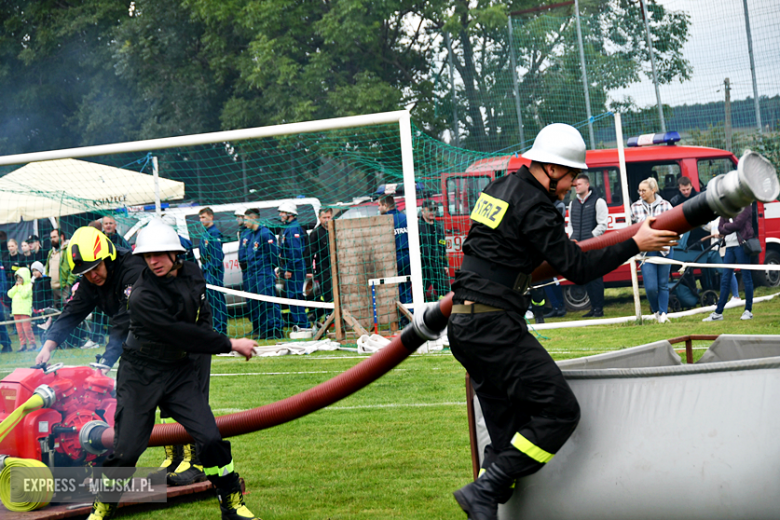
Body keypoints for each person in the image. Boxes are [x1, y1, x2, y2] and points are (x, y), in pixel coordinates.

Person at [447, 123, 678, 520]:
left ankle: (483, 503)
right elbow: (578, 267)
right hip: (494, 327)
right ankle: (485, 487)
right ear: (551, 169)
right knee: (559, 412)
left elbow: (499, 250)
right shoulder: (536, 206)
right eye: (571, 176)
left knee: (504, 437)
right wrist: (633, 244)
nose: (574, 185)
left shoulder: (498, 189)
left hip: (464, 326)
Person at [85, 219, 260, 520]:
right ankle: (102, 507)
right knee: (126, 452)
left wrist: (196, 367)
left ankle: (232, 503)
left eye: (160, 254)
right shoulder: (141, 295)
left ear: (176, 254)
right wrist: (231, 343)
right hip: (140, 373)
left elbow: (201, 317)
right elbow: (180, 332)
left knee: (211, 439)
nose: (153, 261)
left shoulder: (193, 273)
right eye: (147, 256)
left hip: (177, 370)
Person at [35, 226, 147, 371]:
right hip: (135, 341)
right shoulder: (91, 279)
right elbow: (72, 311)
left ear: (108, 258)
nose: (92, 276)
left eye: (96, 267)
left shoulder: (133, 270)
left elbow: (125, 320)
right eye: (86, 272)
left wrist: (106, 361)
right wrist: (48, 347)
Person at [631, 177, 675, 323]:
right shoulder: (635, 207)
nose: (640, 193)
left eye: (644, 190)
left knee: (663, 283)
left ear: (653, 190)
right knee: (650, 287)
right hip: (646, 250)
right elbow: (631, 228)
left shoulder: (666, 205)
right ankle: (656, 310)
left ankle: (663, 313)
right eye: (639, 190)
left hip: (664, 248)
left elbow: (675, 225)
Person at [703, 206, 755, 321]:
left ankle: (748, 310)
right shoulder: (726, 207)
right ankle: (718, 313)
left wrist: (726, 226)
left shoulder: (745, 206)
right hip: (729, 246)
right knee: (725, 279)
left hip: (741, 245)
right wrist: (727, 227)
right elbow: (721, 229)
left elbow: (737, 224)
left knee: (746, 277)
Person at [568, 173, 608, 318]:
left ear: (586, 185)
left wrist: (591, 238)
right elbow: (571, 224)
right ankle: (593, 307)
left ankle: (599, 309)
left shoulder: (598, 202)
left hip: (594, 246)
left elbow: (603, 224)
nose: (576, 187)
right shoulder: (573, 203)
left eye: (578, 184)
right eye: (575, 185)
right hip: (579, 247)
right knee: (586, 278)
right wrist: (572, 238)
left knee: (596, 278)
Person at [243, 208, 283, 339]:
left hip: (264, 273)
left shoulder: (266, 234)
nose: (244, 222)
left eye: (245, 219)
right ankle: (264, 330)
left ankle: (276, 330)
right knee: (259, 303)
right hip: (253, 274)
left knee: (269, 302)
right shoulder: (251, 235)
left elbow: (273, 255)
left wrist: (273, 269)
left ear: (253, 218)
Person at [198, 208, 228, 334]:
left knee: (217, 300)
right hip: (206, 269)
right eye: (200, 218)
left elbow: (217, 255)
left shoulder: (214, 233)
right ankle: (214, 326)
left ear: (211, 217)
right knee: (209, 302)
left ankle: (220, 328)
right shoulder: (205, 233)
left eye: (204, 217)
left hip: (213, 272)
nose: (201, 220)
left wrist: (212, 270)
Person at [278, 202, 309, 328]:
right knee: (292, 296)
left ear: (290, 214)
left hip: (295, 268)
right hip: (291, 266)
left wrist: (289, 269)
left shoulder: (293, 229)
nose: (280, 215)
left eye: (282, 212)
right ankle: (299, 323)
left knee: (295, 295)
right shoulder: (289, 228)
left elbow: (295, 251)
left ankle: (302, 324)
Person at [378, 195, 412, 305]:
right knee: (406, 287)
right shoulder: (404, 217)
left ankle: (403, 316)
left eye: (379, 205)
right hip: (408, 256)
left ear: (386, 205)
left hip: (393, 257)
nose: (378, 208)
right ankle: (410, 312)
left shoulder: (384, 220)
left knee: (396, 287)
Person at [305, 208, 334, 322]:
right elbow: (309, 253)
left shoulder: (335, 229)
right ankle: (328, 317)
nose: (327, 220)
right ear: (319, 218)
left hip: (336, 267)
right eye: (324, 218)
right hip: (323, 268)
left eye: (329, 217)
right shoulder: (315, 234)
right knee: (327, 295)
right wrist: (309, 271)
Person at [419, 200, 450, 299]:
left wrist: (445, 264)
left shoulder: (438, 227)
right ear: (423, 211)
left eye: (434, 210)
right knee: (419, 294)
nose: (433, 212)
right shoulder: (418, 226)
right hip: (424, 266)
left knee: (446, 293)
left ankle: (447, 312)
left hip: (437, 265)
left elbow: (442, 247)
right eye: (430, 210)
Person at [46, 229, 77, 308]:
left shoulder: (68, 250)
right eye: (51, 237)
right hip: (53, 288)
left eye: (54, 237)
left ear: (62, 237)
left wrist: (68, 283)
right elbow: (47, 269)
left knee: (66, 309)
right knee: (55, 313)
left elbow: (74, 267)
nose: (52, 239)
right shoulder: (51, 252)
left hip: (64, 288)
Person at [8, 267, 36, 352]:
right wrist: (16, 287)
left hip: (24, 311)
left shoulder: (29, 286)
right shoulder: (17, 286)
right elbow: (9, 294)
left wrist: (19, 287)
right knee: (19, 329)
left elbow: (25, 294)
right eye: (17, 278)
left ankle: (32, 344)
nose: (19, 279)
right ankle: (23, 345)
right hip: (16, 311)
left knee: (27, 328)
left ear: (25, 277)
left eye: (21, 277)